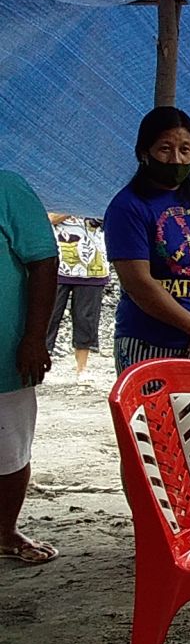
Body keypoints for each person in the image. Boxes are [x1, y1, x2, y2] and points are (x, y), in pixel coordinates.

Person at [104, 107, 190, 373]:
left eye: (185, 150)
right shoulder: (128, 207)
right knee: (157, 416)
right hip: (151, 342)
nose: (176, 159)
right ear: (144, 152)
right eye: (165, 149)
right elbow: (138, 283)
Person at [0, 171, 59, 564]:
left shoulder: (7, 187)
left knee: (9, 450)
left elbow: (44, 260)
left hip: (4, 353)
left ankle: (5, 532)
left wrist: (34, 338)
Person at [45, 213, 109, 381]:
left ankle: (82, 368)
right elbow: (48, 218)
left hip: (92, 266)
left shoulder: (97, 197)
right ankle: (43, 361)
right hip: (57, 265)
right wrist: (70, 209)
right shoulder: (54, 196)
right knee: (48, 315)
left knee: (85, 319)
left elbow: (107, 220)